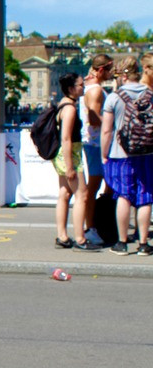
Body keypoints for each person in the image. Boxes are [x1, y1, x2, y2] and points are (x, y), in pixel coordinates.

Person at [101, 54, 153, 256]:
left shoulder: (115, 97)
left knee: (124, 195)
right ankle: (143, 244)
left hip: (120, 153)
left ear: (121, 75)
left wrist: (104, 154)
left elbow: (106, 131)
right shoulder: (150, 94)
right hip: (147, 152)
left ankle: (122, 243)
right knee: (145, 197)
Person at [53, 73, 99, 251]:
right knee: (82, 195)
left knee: (64, 194)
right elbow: (66, 138)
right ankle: (80, 238)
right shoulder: (70, 109)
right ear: (71, 88)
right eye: (80, 85)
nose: (83, 88)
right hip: (70, 154)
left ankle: (62, 235)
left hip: (62, 155)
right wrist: (70, 166)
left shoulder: (63, 104)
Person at [80, 54, 113, 245]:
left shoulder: (89, 87)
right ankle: (91, 227)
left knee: (95, 186)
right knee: (93, 186)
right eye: (109, 70)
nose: (111, 74)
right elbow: (93, 119)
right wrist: (113, 124)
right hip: (95, 143)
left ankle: (92, 225)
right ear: (101, 70)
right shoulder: (97, 90)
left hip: (91, 142)